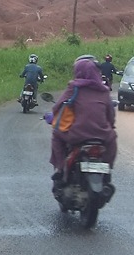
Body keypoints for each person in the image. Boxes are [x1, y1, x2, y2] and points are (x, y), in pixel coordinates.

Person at [48, 55, 117, 183]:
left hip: (77, 135)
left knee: (56, 135)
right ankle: (107, 168)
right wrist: (109, 128)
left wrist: (51, 116)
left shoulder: (74, 87)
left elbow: (58, 106)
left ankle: (60, 168)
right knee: (113, 138)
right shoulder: (104, 91)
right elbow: (111, 115)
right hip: (102, 135)